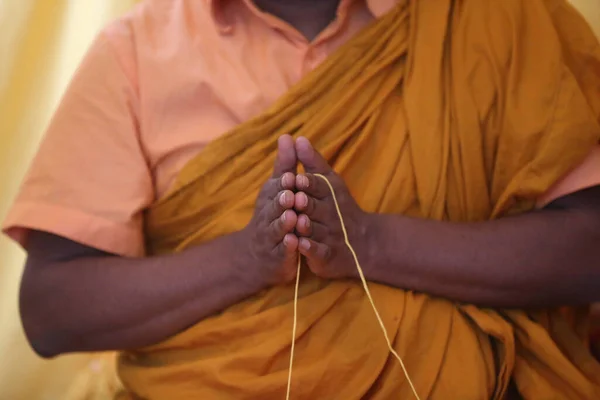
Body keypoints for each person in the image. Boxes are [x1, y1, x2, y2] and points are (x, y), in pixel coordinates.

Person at [3, 0, 600, 398]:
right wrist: (243, 260)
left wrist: (369, 242)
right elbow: (52, 310)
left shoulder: (496, 21)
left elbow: (587, 248)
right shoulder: (135, 52)